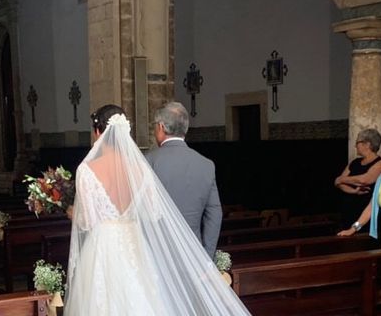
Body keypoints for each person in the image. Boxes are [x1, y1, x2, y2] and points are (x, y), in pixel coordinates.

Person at [65, 105, 250, 315]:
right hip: (135, 245)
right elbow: (153, 212)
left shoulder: (87, 170)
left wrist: (73, 213)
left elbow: (87, 222)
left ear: (99, 131)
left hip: (103, 247)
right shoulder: (141, 168)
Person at [146, 101, 222, 258]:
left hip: (158, 253)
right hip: (193, 254)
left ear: (161, 127)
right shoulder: (206, 164)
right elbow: (214, 213)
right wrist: (206, 256)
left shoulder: (148, 162)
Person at [334, 129, 381, 230]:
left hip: (368, 214)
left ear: (367, 144)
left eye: (357, 142)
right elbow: (338, 183)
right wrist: (353, 191)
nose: (355, 146)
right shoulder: (354, 162)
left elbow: (365, 180)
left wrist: (342, 179)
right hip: (349, 212)